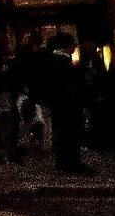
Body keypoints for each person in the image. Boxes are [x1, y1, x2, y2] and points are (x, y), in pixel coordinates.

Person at [38, 31, 92, 175]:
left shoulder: (52, 60)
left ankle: (63, 163)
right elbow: (69, 86)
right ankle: (72, 164)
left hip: (59, 104)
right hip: (68, 105)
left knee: (64, 135)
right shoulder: (62, 62)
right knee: (71, 135)